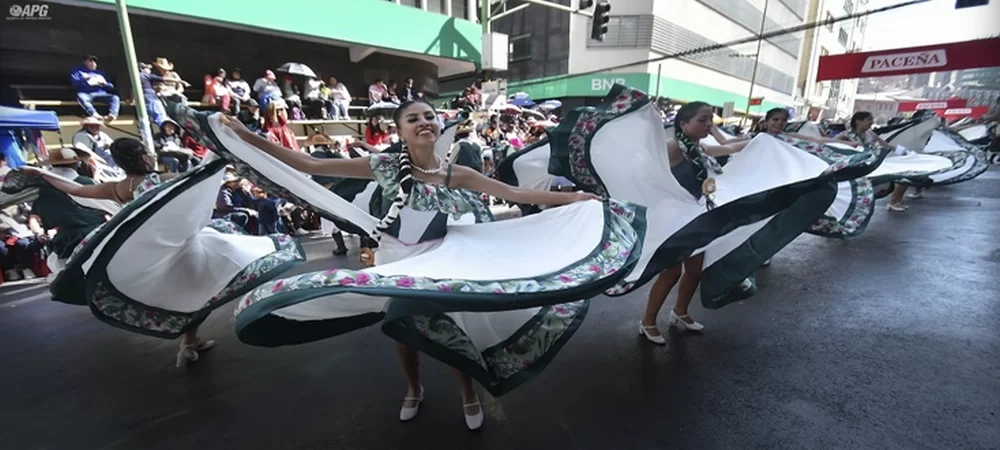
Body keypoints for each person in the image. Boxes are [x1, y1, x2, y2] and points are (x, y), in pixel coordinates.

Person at [221, 99, 602, 430]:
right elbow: (308, 163)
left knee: (452, 324)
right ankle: (413, 388)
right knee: (402, 327)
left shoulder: (460, 175)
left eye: (429, 116)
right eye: (413, 119)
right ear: (401, 131)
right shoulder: (384, 166)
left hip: (442, 258)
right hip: (396, 258)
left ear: (438, 125)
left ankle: (468, 392)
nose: (424, 123)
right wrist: (246, 135)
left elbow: (516, 193)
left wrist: (575, 199)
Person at [28, 138, 301, 367]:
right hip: (187, 245)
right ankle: (189, 342)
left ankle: (188, 344)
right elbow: (203, 175)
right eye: (146, 153)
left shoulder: (120, 188)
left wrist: (44, 175)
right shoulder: (164, 178)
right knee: (205, 288)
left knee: (190, 294)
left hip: (159, 251)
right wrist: (218, 150)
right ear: (142, 158)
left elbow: (76, 189)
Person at [639, 101, 748, 343]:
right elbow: (643, 173)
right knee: (671, 272)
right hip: (671, 221)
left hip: (697, 218)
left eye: (710, 120)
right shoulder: (672, 148)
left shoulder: (700, 149)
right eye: (702, 120)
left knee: (695, 270)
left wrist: (762, 142)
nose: (708, 124)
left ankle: (680, 312)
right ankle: (647, 321)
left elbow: (731, 148)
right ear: (683, 124)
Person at [836, 111, 909, 212]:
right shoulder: (846, 135)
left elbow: (885, 145)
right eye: (869, 119)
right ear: (858, 121)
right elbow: (830, 143)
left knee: (904, 177)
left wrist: (903, 151)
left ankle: (895, 201)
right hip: (859, 167)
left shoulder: (870, 134)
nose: (872, 122)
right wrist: (849, 145)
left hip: (876, 163)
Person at [69, 54, 120, 122]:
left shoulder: (100, 72)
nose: (93, 63)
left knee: (115, 98)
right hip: (85, 93)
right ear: (84, 62)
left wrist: (105, 84)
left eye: (94, 61)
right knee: (81, 96)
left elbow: (110, 86)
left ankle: (112, 115)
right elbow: (74, 83)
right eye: (90, 61)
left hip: (100, 93)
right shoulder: (78, 71)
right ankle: (94, 114)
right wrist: (85, 79)